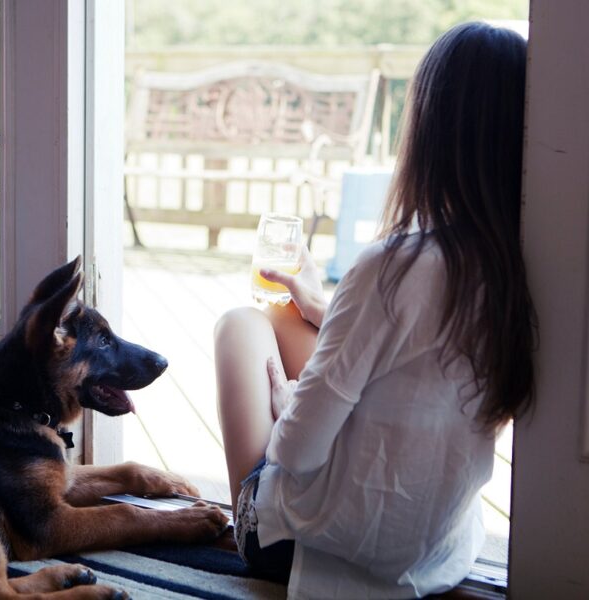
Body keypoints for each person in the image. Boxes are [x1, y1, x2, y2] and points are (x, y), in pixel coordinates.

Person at [214, 22, 536, 599]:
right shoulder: (516, 268)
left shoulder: (390, 266)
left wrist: (288, 406)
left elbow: (297, 451)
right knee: (293, 316)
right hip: (430, 548)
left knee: (241, 325)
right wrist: (330, 310)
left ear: (427, 131)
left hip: (312, 549)